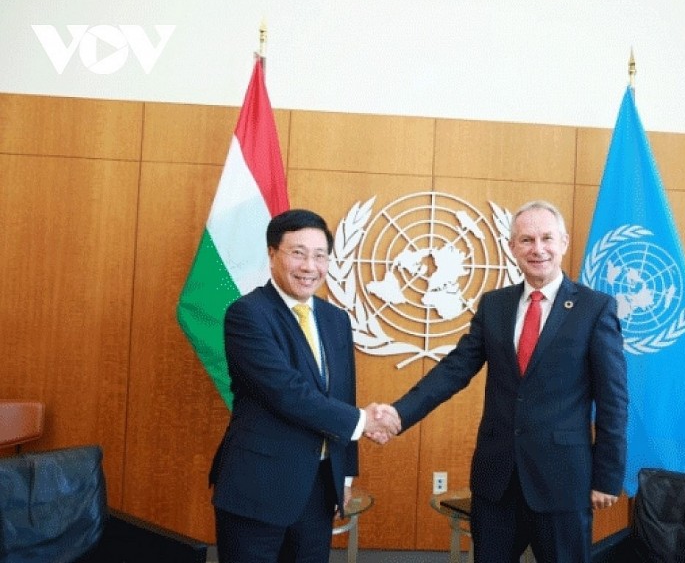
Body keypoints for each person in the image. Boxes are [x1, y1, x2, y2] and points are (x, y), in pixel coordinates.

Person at [376, 200, 628, 562]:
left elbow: (613, 400)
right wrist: (400, 413)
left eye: (546, 238)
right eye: (526, 240)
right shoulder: (495, 305)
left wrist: (607, 475)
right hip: (497, 482)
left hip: (562, 481)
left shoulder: (595, 308)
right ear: (512, 248)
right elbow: (456, 368)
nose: (537, 249)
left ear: (564, 242)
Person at [209, 209, 400, 563]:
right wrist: (364, 422)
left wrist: (345, 472)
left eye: (320, 255)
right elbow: (287, 392)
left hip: (319, 487)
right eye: (297, 252)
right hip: (259, 487)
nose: (309, 266)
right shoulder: (248, 314)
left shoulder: (335, 319)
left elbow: (343, 394)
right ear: (272, 254)